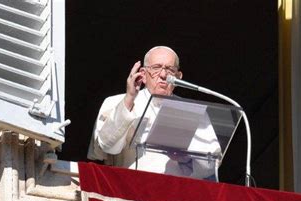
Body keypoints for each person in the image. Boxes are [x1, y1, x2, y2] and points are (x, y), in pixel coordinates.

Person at [87, 46, 221, 179]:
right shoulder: (115, 102)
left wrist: (185, 157)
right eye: (156, 68)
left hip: (179, 192)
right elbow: (106, 146)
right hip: (131, 189)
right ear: (143, 74)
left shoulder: (191, 110)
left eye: (169, 69)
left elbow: (212, 163)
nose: (163, 75)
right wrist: (129, 99)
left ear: (178, 77)